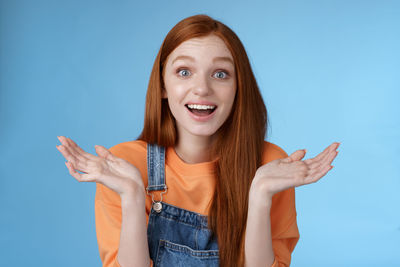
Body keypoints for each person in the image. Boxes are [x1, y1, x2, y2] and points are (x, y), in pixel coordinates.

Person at [56, 14, 339, 267]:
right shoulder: (125, 165)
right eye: (184, 72)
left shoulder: (269, 165)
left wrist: (260, 195)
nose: (202, 88)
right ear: (163, 85)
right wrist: (131, 195)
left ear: (238, 88)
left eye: (220, 74)